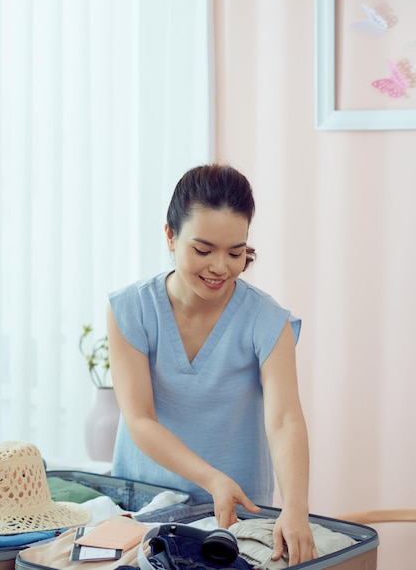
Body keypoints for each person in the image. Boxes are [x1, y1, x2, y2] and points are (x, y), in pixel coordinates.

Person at [107, 163, 317, 566]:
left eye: (236, 252)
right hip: (142, 509)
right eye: (203, 250)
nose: (220, 266)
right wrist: (211, 478)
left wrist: (296, 507)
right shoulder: (130, 310)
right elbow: (140, 420)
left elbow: (285, 419)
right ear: (170, 236)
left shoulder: (268, 320)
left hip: (234, 515)